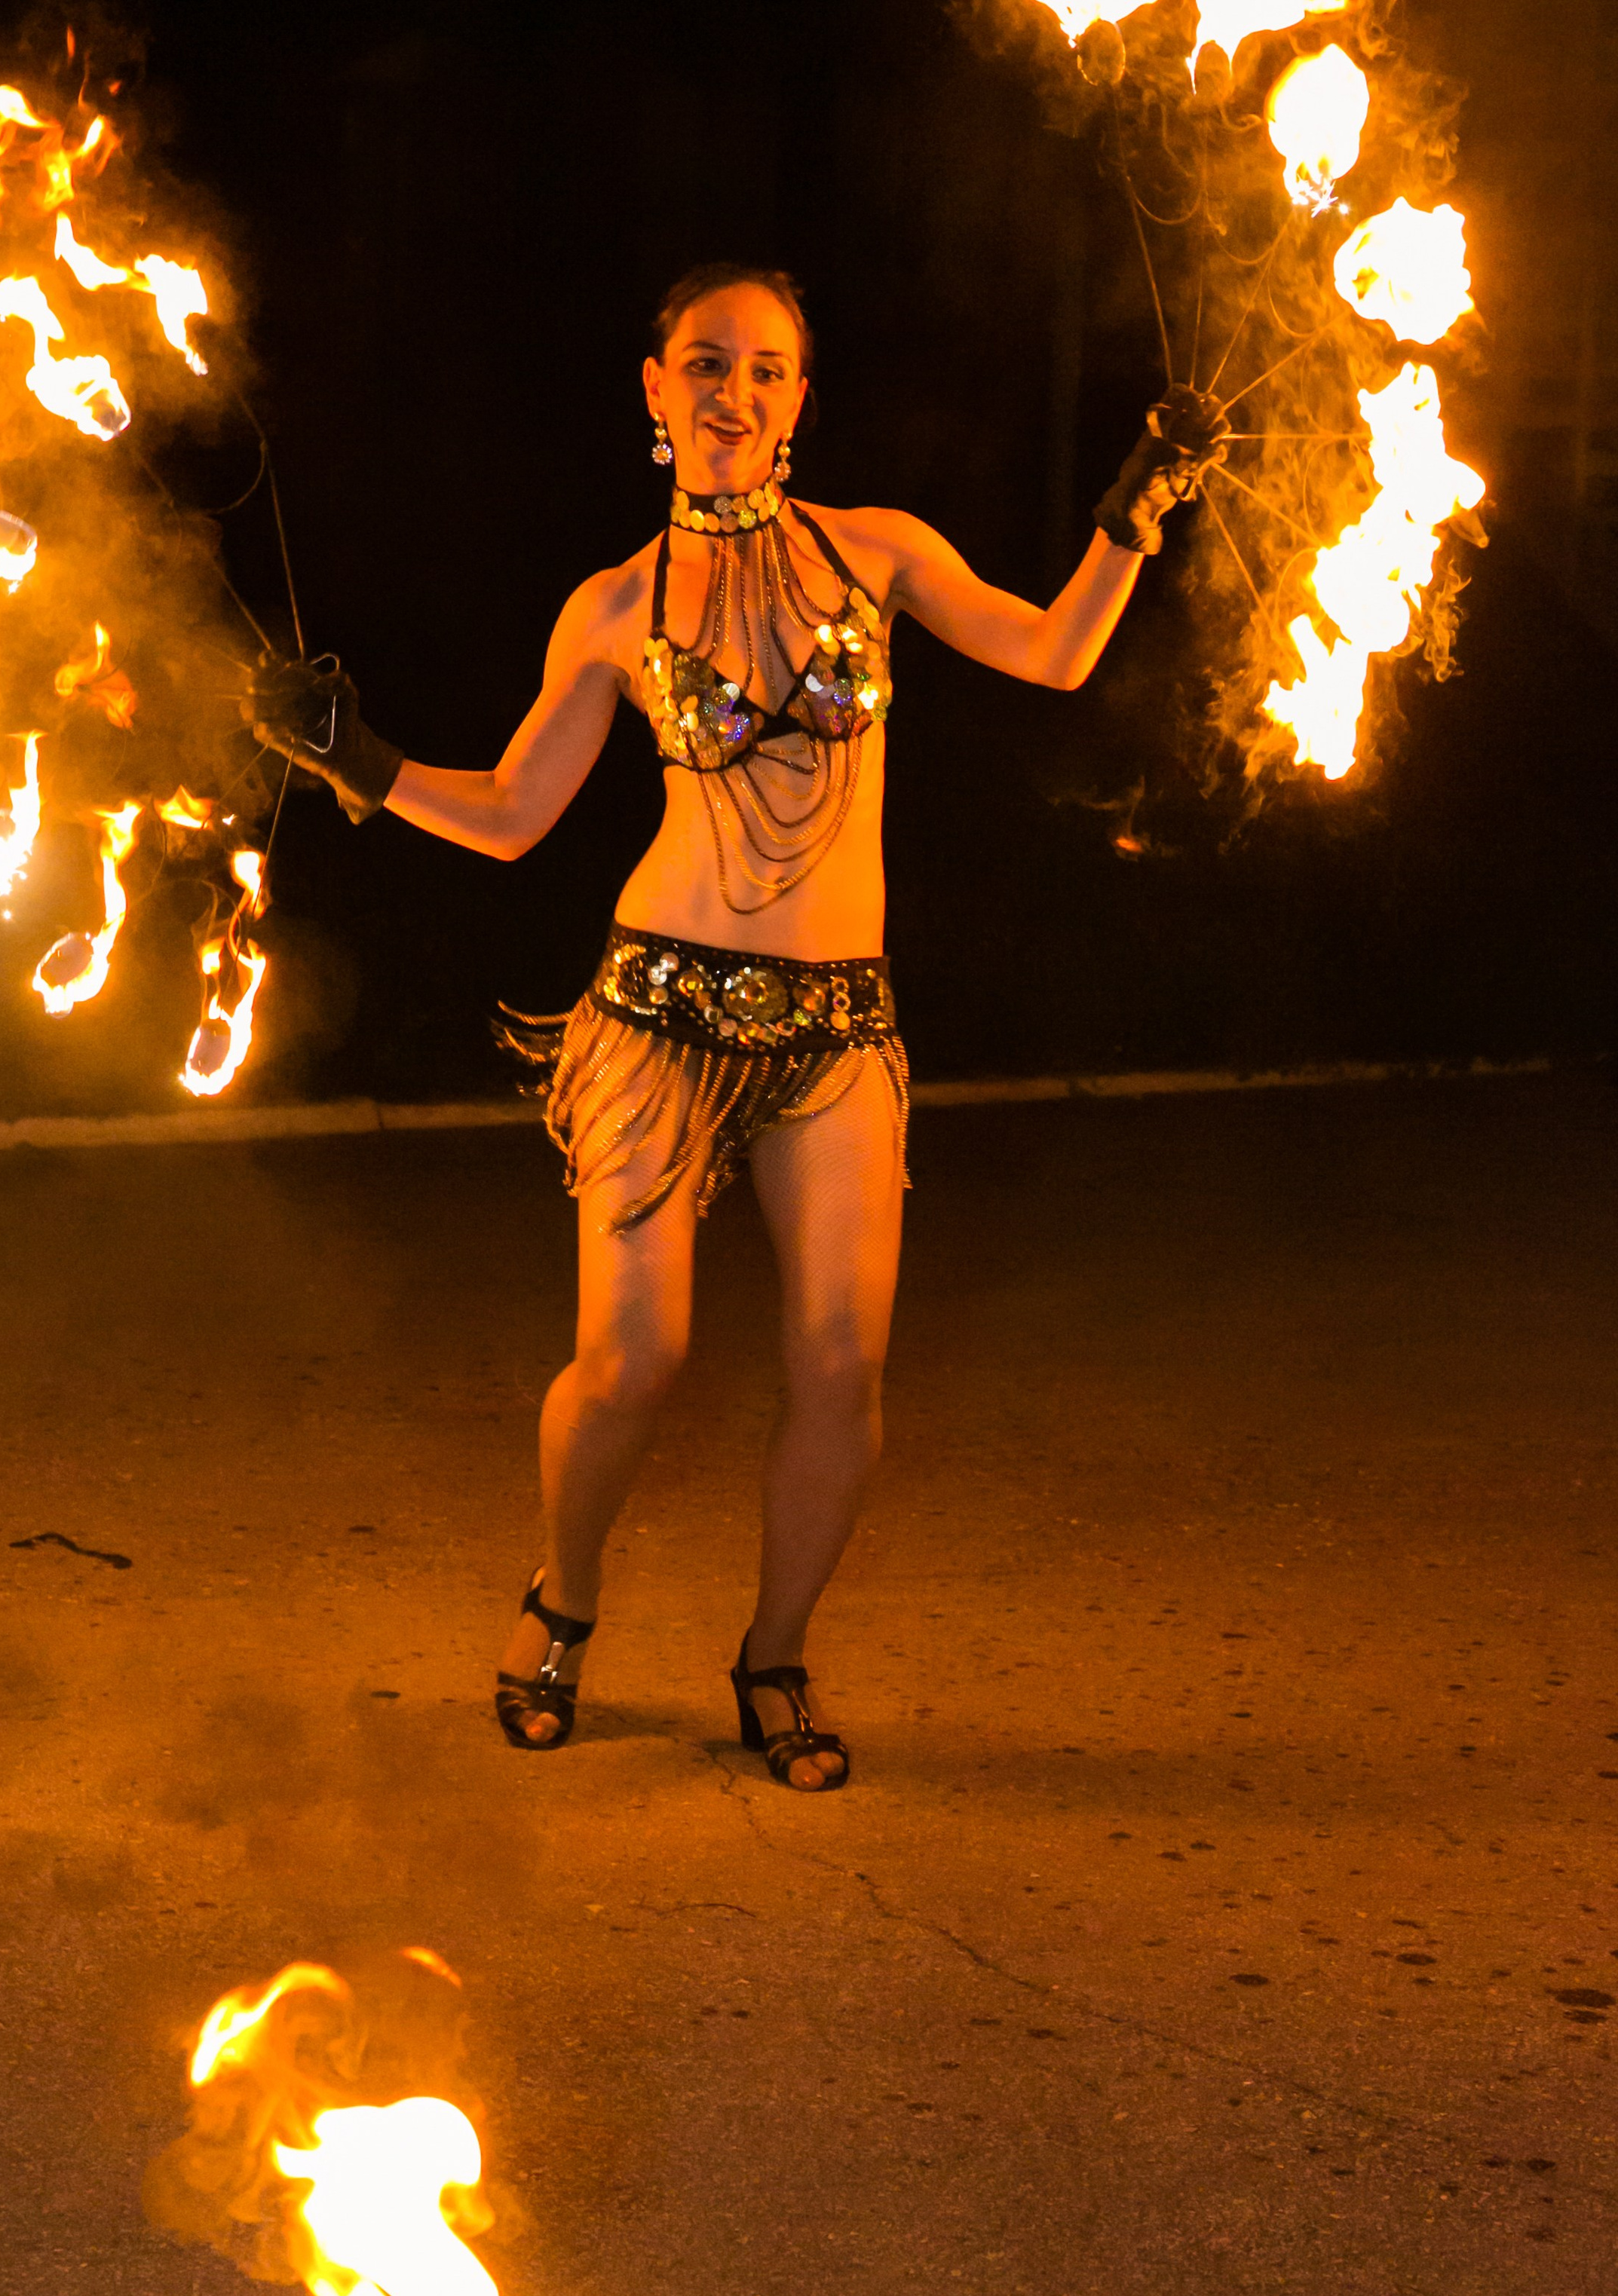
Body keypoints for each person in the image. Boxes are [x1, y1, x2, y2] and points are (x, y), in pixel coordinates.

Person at [250, 265, 1227, 1789]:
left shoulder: (877, 553)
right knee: (635, 1357)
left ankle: (774, 1655)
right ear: (652, 387)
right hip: (659, 1012)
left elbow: (1049, 650)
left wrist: (1131, 508)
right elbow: (512, 818)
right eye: (704, 363)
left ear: (796, 398)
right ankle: (559, 1604)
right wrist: (350, 759)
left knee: (842, 1367)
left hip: (840, 1030)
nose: (734, 391)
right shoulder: (616, 607)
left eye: (766, 370)